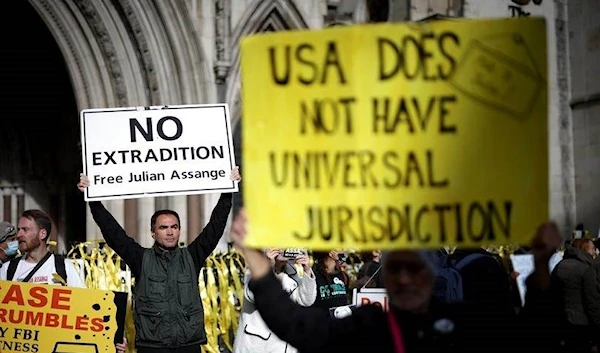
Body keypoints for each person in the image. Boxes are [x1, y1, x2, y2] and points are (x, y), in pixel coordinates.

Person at [229, 209, 561, 352]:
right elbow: (294, 323)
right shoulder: (368, 325)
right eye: (396, 269)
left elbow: (529, 337)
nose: (404, 279)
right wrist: (257, 260)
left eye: (414, 269)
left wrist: (543, 266)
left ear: (432, 277)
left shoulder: (459, 321)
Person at [77, 167, 241, 353]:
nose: (170, 232)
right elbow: (113, 232)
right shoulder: (141, 258)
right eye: (164, 227)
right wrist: (93, 199)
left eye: (174, 227)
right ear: (153, 232)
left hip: (188, 346)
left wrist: (228, 190)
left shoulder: (192, 256)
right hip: (152, 347)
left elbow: (215, 226)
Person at [233, 248, 316, 353]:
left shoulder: (292, 272)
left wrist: (307, 270)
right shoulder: (256, 268)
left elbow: (306, 300)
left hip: (284, 345)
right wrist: (268, 268)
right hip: (257, 344)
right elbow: (251, 296)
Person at [0, 210, 85, 288]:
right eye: (19, 230)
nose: (19, 235)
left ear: (42, 234)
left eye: (25, 230)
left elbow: (80, 300)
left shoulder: (64, 267)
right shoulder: (8, 269)